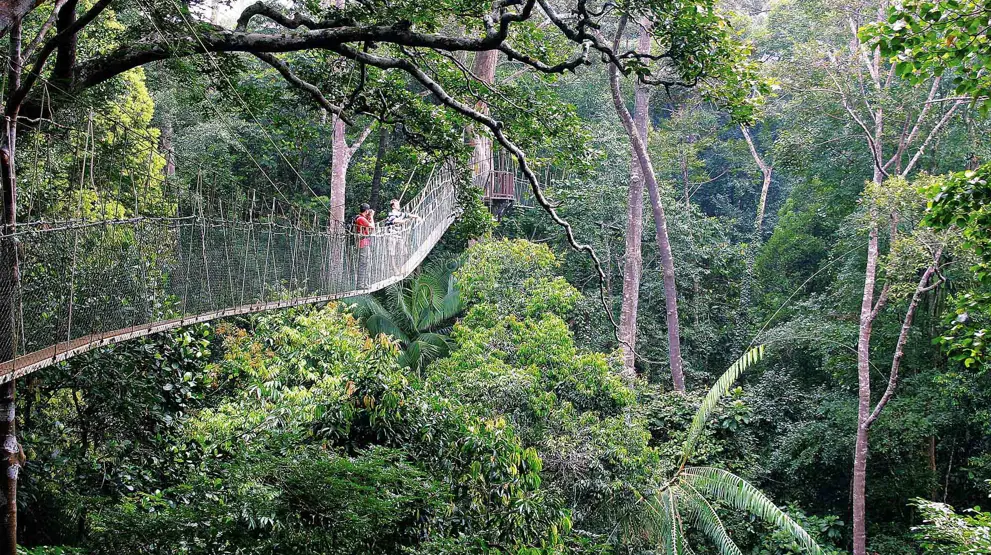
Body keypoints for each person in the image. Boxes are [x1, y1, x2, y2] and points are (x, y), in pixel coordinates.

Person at [354, 203, 374, 287]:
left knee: (366, 263)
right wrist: (372, 216)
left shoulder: (362, 218)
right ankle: (360, 284)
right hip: (362, 244)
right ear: (366, 211)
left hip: (364, 243)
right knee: (363, 263)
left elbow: (370, 231)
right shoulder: (361, 219)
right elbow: (372, 227)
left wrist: (369, 217)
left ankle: (364, 283)